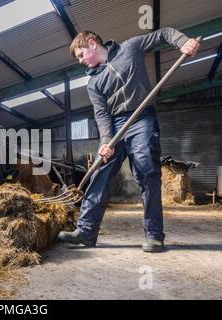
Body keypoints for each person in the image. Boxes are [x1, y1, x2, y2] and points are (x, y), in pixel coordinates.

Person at [58, 28, 200, 252]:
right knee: (99, 174)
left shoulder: (130, 48)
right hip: (114, 128)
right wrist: (106, 141)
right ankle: (86, 231)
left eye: (81, 55)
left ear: (92, 43)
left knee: (147, 173)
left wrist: (183, 41)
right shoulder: (93, 83)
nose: (81, 61)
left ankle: (153, 234)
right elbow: (101, 114)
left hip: (142, 119)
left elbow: (163, 34)